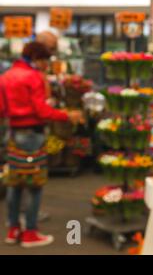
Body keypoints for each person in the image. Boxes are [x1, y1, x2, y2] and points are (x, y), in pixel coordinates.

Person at [1, 42, 82, 248]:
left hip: (13, 134)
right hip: (33, 135)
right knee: (34, 185)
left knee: (14, 183)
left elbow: (2, 109)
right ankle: (30, 233)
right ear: (38, 58)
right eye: (46, 61)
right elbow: (42, 112)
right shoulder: (34, 77)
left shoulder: (6, 76)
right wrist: (66, 115)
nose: (46, 65)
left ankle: (13, 230)